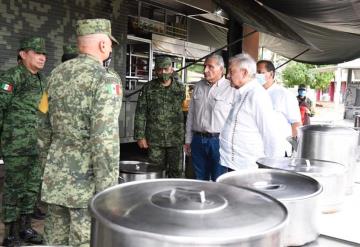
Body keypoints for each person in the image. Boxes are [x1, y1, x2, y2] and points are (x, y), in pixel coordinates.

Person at [39, 18, 122, 246]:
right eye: (110, 44)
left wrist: (45, 171)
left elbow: (42, 128)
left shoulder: (55, 76)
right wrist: (108, 192)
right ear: (104, 45)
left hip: (55, 180)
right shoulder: (105, 79)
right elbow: (104, 140)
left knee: (54, 241)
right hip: (87, 187)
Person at [0, 36, 46, 246]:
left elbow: (44, 110)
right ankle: (10, 234)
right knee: (13, 190)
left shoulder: (40, 79)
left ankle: (26, 228)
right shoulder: (12, 76)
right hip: (15, 145)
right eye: (37, 53)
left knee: (31, 188)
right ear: (23, 54)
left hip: (35, 146)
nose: (42, 57)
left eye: (44, 53)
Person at [220, 53, 283, 171]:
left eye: (231, 71)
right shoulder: (242, 92)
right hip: (234, 164)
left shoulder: (257, 95)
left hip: (248, 167)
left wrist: (271, 171)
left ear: (244, 72)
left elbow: (271, 136)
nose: (228, 76)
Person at [184, 54, 236, 181]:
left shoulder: (231, 88)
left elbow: (236, 120)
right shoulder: (198, 86)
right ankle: (201, 201)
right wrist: (188, 140)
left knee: (220, 179)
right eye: (205, 66)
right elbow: (191, 115)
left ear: (221, 69)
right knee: (199, 178)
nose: (205, 70)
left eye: (210, 67)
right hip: (197, 140)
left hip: (219, 142)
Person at [134, 56, 185, 178]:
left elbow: (187, 112)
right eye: (159, 70)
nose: (163, 72)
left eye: (166, 69)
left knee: (176, 172)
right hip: (155, 139)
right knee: (155, 172)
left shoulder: (180, 88)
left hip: (175, 139)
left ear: (171, 69)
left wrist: (187, 139)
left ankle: (174, 195)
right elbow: (140, 112)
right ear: (155, 71)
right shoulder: (148, 88)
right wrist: (140, 136)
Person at [257, 60, 302, 156]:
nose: (257, 76)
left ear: (271, 74)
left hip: (278, 151)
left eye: (260, 72)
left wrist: (295, 151)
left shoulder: (284, 94)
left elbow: (296, 123)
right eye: (256, 73)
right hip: (258, 149)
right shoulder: (255, 94)